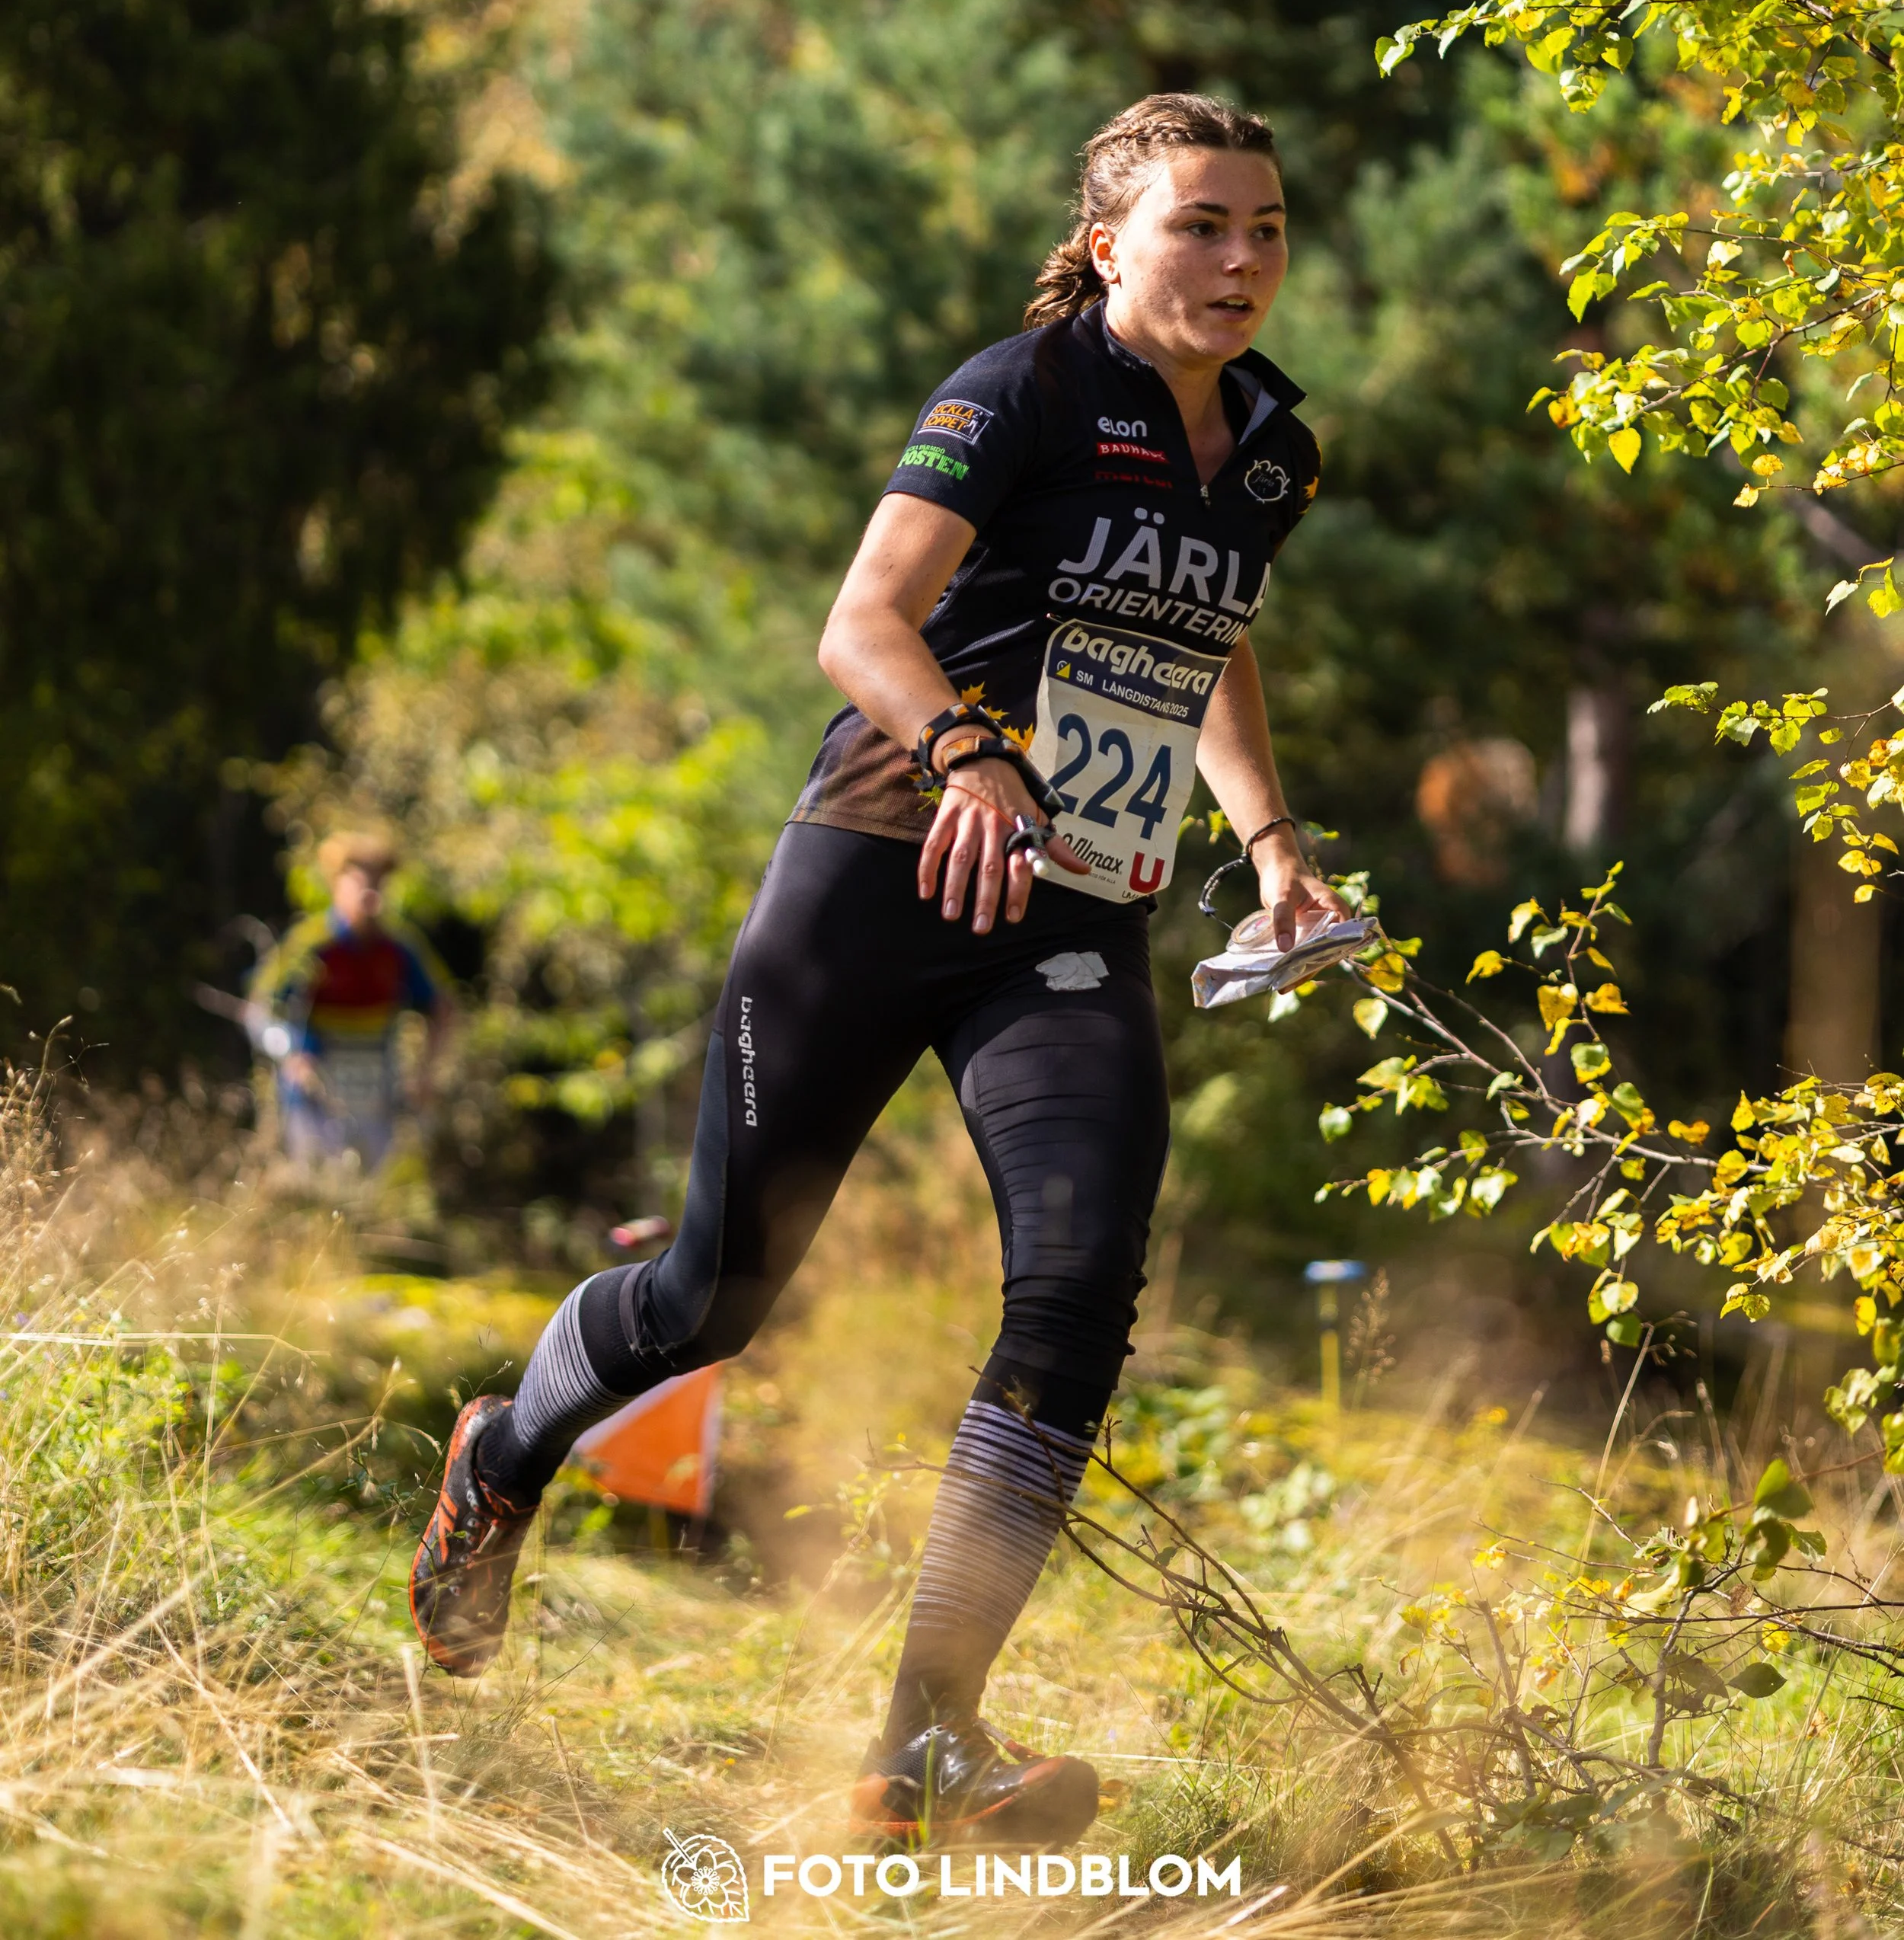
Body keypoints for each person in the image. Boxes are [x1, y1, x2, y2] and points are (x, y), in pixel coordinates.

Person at [408, 92, 1344, 1841]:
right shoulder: (1024, 388)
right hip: (879, 873)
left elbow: (1206, 640)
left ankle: (929, 1730)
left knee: (1077, 1290)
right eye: (1202, 225)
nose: (1240, 259)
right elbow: (863, 623)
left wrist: (1273, 841)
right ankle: (505, 1454)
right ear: (1114, 240)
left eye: (1266, 226)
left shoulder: (1277, 446)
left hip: (1070, 916)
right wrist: (976, 754)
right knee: (711, 1299)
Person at [255, 830, 455, 1171]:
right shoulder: (311, 943)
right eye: (362, 883)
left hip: (377, 1092)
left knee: (369, 1195)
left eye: (380, 884)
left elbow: (443, 1008)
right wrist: (289, 1053)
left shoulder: (400, 948)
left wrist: (426, 1072)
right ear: (338, 883)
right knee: (314, 1186)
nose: (371, 894)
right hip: (312, 1092)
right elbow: (259, 1009)